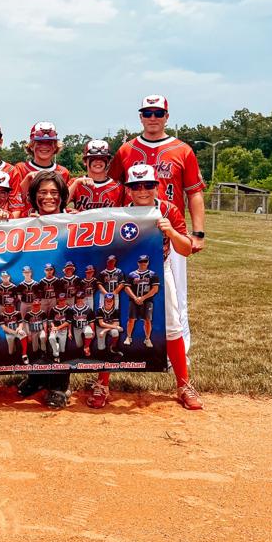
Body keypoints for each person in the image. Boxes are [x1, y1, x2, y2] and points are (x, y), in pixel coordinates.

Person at [88, 164, 203, 411]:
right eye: (136, 186)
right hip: (126, 276)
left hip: (160, 272)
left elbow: (186, 249)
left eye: (148, 185)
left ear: (156, 186)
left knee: (172, 327)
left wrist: (170, 231)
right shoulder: (119, 213)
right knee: (115, 323)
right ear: (128, 190)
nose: (142, 191)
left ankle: (183, 385)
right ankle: (102, 383)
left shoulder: (167, 209)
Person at [108, 95, 206, 353]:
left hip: (169, 229)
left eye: (158, 113)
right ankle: (130, 348)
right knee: (129, 286)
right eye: (147, 113)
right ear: (140, 116)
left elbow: (194, 192)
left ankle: (179, 352)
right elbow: (112, 188)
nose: (153, 118)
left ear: (166, 117)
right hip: (134, 233)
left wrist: (198, 233)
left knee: (176, 294)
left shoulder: (182, 149)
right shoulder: (126, 150)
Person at [16, 171, 73, 408]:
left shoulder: (74, 220)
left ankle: (59, 385)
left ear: (62, 196)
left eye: (54, 192)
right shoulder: (24, 221)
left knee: (57, 337)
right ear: (33, 196)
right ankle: (37, 377)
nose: (48, 197)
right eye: (42, 193)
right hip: (37, 292)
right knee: (35, 332)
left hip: (59, 294)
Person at [10, 122, 71, 217]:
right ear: (31, 145)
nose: (44, 146)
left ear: (55, 146)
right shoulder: (20, 168)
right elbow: (14, 200)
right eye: (40, 142)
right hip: (26, 223)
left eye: (49, 143)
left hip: (54, 223)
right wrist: (27, 179)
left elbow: (63, 201)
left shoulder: (63, 172)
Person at [68, 140, 123, 211]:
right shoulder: (75, 182)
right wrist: (76, 183)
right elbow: (60, 204)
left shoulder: (118, 187)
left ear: (109, 161)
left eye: (102, 158)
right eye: (93, 158)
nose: (98, 161)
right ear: (85, 161)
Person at [124, 255, 158, 348]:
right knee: (131, 320)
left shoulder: (152, 274)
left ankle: (147, 339)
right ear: (138, 262)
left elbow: (155, 289)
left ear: (148, 262)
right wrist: (135, 298)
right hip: (133, 300)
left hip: (147, 301)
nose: (143, 263)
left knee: (147, 320)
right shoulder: (131, 274)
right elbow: (127, 288)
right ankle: (129, 337)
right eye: (141, 261)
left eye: (145, 261)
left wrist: (143, 298)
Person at [24, 298, 49, 364]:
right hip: (33, 331)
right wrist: (29, 335)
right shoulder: (28, 314)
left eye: (38, 305)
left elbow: (45, 323)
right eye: (35, 305)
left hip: (41, 330)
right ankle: (36, 354)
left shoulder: (42, 313)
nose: (36, 306)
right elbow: (26, 325)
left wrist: (46, 333)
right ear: (32, 305)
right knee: (34, 347)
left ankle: (43, 352)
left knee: (43, 337)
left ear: (40, 305)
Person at [71, 292, 95, 357]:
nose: (80, 300)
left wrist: (93, 331)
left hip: (85, 326)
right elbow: (69, 322)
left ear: (84, 299)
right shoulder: (71, 309)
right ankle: (82, 349)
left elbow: (91, 321)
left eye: (81, 298)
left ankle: (86, 347)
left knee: (89, 332)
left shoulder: (88, 309)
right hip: (76, 328)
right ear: (76, 299)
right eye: (78, 298)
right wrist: (69, 332)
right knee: (79, 345)